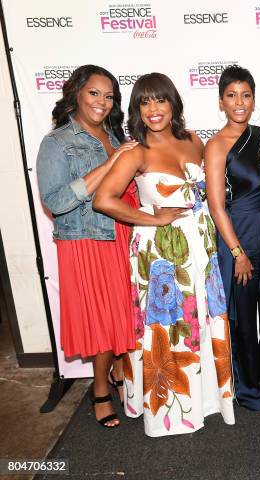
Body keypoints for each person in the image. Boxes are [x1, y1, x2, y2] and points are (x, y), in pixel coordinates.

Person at [94, 73, 234, 436]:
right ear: (137, 111)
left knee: (198, 320)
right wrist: (150, 219)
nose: (154, 109)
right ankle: (168, 409)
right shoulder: (136, 152)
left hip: (199, 247)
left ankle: (202, 401)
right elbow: (103, 199)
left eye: (160, 100)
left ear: (173, 104)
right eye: (145, 102)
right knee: (168, 327)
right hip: (159, 253)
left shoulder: (193, 140)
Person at [37, 65, 138, 428]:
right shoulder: (57, 142)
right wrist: (110, 163)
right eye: (94, 92)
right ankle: (99, 390)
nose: (102, 101)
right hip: (86, 241)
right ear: (76, 93)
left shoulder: (116, 133)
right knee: (99, 320)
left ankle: (116, 370)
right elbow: (56, 201)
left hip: (122, 236)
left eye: (109, 96)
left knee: (121, 315)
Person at [205, 66, 260, 411]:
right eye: (231, 95)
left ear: (254, 99)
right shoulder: (216, 145)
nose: (239, 103)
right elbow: (216, 206)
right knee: (243, 315)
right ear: (221, 101)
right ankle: (249, 389)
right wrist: (238, 251)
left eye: (246, 95)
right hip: (238, 232)